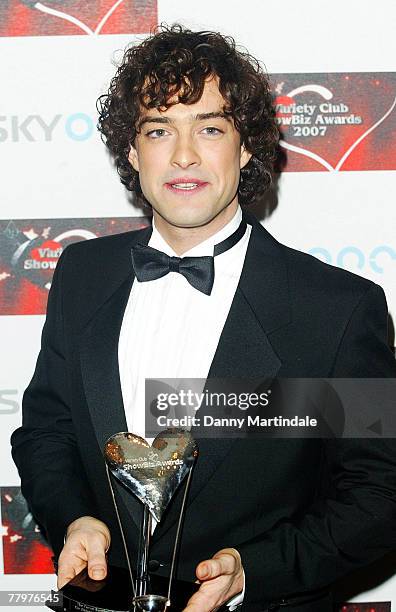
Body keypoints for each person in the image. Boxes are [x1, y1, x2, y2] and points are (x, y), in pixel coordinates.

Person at [11, 24, 396, 612]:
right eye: (159, 129)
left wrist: (254, 571)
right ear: (133, 151)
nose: (184, 154)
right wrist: (77, 519)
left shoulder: (335, 311)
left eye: (210, 128)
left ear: (245, 148)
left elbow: (378, 493)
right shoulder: (83, 274)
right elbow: (47, 430)